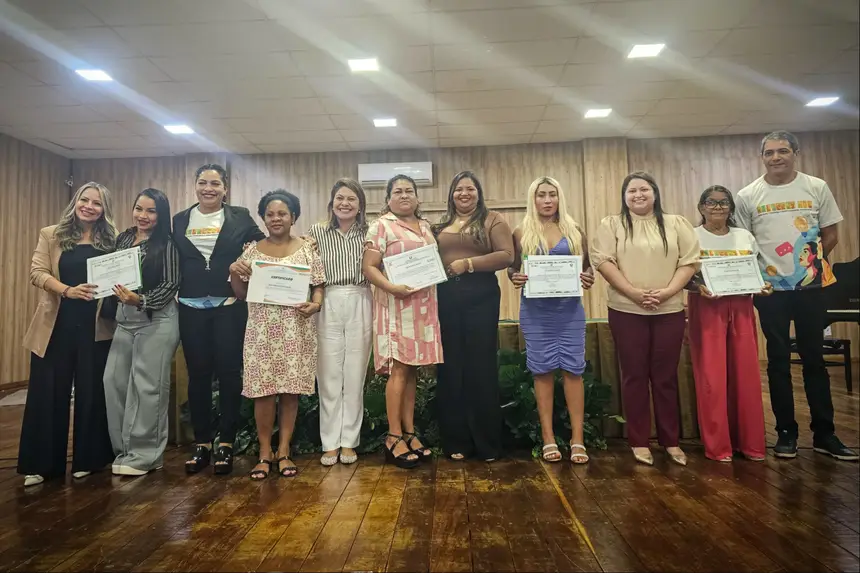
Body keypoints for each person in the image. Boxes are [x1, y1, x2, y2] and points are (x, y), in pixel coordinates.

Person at [736, 130, 857, 461]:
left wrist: (810, 266)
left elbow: (831, 234)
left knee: (814, 360)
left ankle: (825, 434)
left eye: (783, 151)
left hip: (811, 289)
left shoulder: (816, 187)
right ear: (762, 157)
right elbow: (744, 243)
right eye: (769, 152)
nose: (776, 157)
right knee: (777, 361)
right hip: (770, 291)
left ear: (795, 153)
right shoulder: (748, 195)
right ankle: (785, 433)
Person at [590, 171, 699, 466]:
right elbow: (603, 262)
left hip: (669, 310)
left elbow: (689, 262)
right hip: (626, 310)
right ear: (624, 196)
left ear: (655, 193)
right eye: (632, 191)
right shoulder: (611, 224)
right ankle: (639, 441)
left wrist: (668, 292)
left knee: (665, 377)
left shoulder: (677, 223)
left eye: (644, 189)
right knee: (634, 376)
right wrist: (634, 293)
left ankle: (671, 441)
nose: (638, 195)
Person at [18, 182, 117, 486]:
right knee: (47, 392)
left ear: (104, 210)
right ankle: (42, 465)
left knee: (92, 393)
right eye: (84, 200)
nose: (89, 206)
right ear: (75, 202)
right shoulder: (51, 234)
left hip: (96, 327)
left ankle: (89, 460)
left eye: (97, 203)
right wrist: (68, 290)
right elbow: (37, 273)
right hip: (56, 324)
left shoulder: (113, 240)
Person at [173, 164, 266, 475]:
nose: (208, 188)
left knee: (228, 374)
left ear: (225, 188)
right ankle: (201, 442)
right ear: (195, 186)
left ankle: (226, 441)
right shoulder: (180, 219)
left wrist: (246, 261)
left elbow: (262, 244)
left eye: (215, 183)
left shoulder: (240, 216)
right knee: (198, 375)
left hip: (228, 304)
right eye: (203, 182)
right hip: (190, 305)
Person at [229, 190, 325, 479]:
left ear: (293, 217)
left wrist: (316, 304)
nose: (276, 218)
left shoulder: (307, 249)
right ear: (263, 218)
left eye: (282, 213)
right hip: (261, 331)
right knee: (263, 393)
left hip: (295, 329)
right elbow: (240, 293)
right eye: (270, 214)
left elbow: (318, 284)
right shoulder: (252, 251)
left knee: (290, 392)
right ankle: (264, 453)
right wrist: (233, 270)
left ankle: (283, 451)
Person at [508, 176, 594, 464]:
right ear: (532, 199)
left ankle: (577, 439)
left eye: (552, 194)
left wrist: (588, 277)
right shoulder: (521, 231)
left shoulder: (575, 230)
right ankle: (548, 437)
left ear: (560, 198)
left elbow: (588, 268)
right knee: (541, 371)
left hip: (569, 311)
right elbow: (512, 269)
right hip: (535, 312)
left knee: (573, 371)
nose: (547, 200)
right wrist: (515, 277)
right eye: (541, 195)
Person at [362, 174, 443, 469]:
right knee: (398, 370)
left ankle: (409, 432)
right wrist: (392, 287)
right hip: (396, 306)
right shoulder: (381, 226)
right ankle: (393, 436)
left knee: (411, 371)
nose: (404, 195)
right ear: (388, 199)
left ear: (418, 198)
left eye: (409, 191)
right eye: (398, 191)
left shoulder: (425, 226)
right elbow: (369, 267)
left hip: (423, 307)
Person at [432, 171, 513, 462]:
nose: (464, 194)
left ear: (479, 193)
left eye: (470, 189)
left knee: (480, 366)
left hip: (482, 298)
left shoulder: (493, 220)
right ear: (451, 194)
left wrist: (468, 263)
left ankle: (487, 443)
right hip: (445, 298)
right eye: (458, 189)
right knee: (451, 367)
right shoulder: (440, 225)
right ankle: (456, 441)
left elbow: (506, 255)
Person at [687, 185, 770, 462]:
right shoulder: (691, 236)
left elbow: (756, 271)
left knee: (746, 375)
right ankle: (718, 446)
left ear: (731, 208)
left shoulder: (744, 236)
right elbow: (684, 275)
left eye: (724, 203)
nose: (718, 207)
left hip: (743, 308)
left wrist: (763, 285)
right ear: (701, 207)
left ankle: (750, 444)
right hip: (707, 307)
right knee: (712, 377)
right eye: (711, 202)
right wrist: (696, 287)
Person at [103, 188, 181, 476]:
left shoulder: (168, 244)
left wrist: (140, 300)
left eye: (151, 211)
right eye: (139, 208)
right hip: (125, 321)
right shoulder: (124, 238)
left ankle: (146, 456)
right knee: (113, 382)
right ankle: (124, 451)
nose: (143, 216)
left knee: (148, 389)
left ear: (161, 215)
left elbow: (171, 284)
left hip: (157, 321)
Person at [308, 179, 372, 467]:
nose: (345, 203)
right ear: (331, 202)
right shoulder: (316, 233)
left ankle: (349, 441)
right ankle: (330, 443)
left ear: (360, 205)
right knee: (329, 374)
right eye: (340, 198)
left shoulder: (371, 232)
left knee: (355, 374)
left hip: (361, 296)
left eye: (351, 199)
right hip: (327, 298)